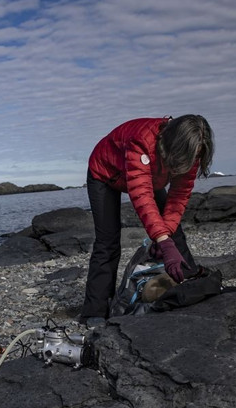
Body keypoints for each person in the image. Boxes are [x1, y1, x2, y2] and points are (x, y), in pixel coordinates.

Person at [80, 115, 214, 328]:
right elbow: (141, 196)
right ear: (172, 143)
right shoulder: (141, 140)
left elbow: (178, 198)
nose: (189, 163)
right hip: (105, 173)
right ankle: (94, 311)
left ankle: (187, 275)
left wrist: (166, 240)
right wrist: (162, 240)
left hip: (150, 175)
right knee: (108, 241)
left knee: (172, 231)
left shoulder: (191, 150)